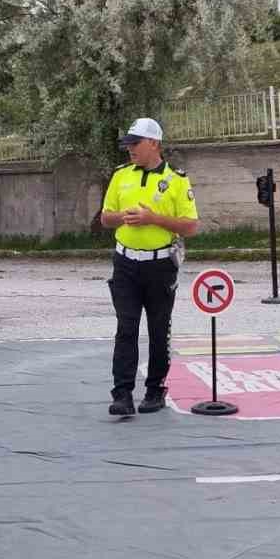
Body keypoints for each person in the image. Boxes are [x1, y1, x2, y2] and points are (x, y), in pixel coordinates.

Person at [99, 117, 200, 417]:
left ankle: (155, 390)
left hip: (159, 266)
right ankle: (122, 394)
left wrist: (153, 219)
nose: (129, 149)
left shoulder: (177, 180)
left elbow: (191, 225)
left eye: (135, 143)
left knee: (158, 330)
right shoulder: (121, 176)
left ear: (154, 143)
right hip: (126, 263)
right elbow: (105, 217)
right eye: (128, 144)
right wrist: (123, 218)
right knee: (126, 328)